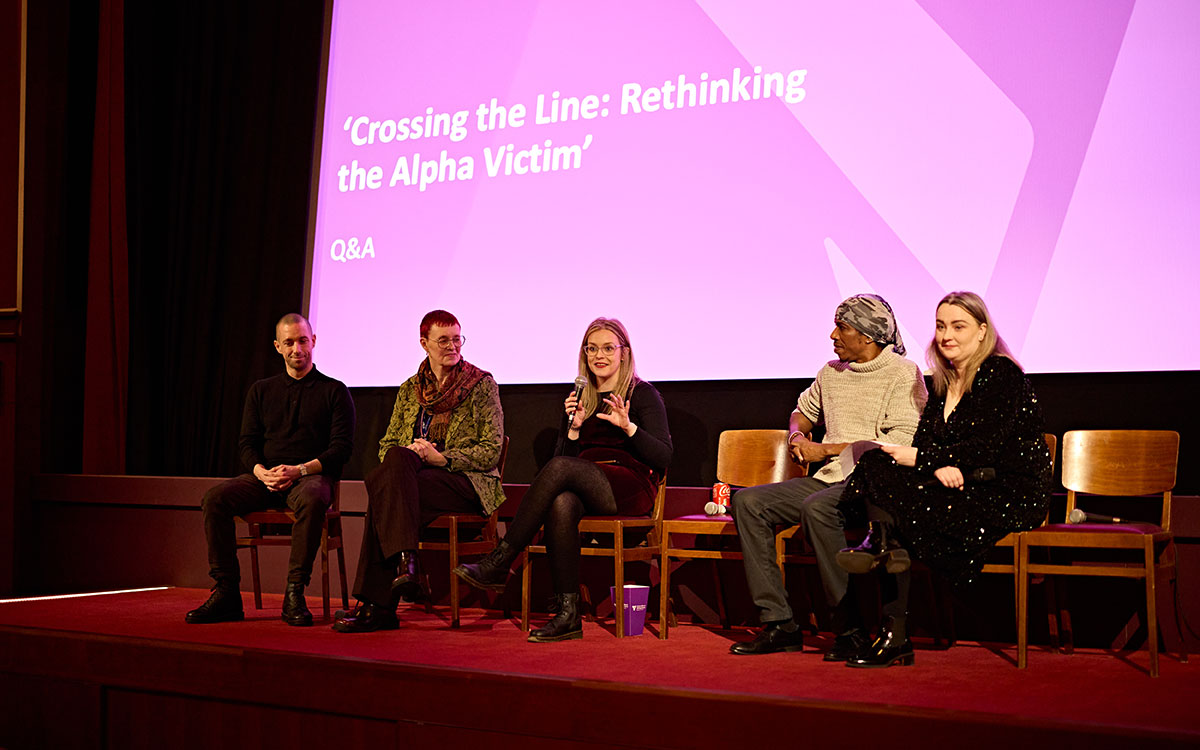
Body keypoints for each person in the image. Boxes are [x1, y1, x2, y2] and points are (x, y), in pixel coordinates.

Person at [835, 291, 1052, 668]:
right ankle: (883, 545)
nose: (946, 334)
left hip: (1004, 490)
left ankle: (894, 624)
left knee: (898, 509)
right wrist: (935, 464)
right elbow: (929, 443)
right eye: (940, 326)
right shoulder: (942, 381)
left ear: (982, 332)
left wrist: (926, 459)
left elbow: (982, 448)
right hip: (959, 479)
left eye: (958, 326)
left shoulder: (1001, 375)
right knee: (875, 463)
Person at [728, 294, 927, 657]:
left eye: (843, 327)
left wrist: (828, 450)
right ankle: (779, 623)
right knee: (748, 501)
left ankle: (848, 629)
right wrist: (797, 436)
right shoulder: (831, 372)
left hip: (872, 484)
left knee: (818, 507)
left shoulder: (903, 373)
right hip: (828, 479)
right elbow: (801, 412)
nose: (832, 335)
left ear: (868, 336)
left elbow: (900, 442)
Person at [454, 317, 672, 642]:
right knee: (561, 502)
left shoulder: (641, 394)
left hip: (630, 485)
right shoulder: (580, 396)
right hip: (586, 480)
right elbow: (564, 454)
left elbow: (664, 456)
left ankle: (501, 559)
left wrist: (629, 427)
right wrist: (574, 427)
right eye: (592, 348)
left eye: (608, 348)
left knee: (558, 470)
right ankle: (568, 615)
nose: (600, 355)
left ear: (624, 353)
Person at [332, 310, 505, 633]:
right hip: (417, 481)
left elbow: (491, 449)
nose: (453, 346)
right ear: (424, 343)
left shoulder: (481, 385)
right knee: (395, 466)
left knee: (385, 486)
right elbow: (387, 446)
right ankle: (403, 566)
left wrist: (441, 458)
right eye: (444, 341)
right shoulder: (410, 388)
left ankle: (381, 599)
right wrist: (413, 455)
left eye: (457, 339)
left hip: (466, 483)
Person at [186, 313, 355, 627]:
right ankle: (226, 593)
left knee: (315, 495)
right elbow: (246, 443)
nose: (297, 349)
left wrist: (299, 471)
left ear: (313, 341)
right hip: (265, 478)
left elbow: (340, 450)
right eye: (289, 342)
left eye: (303, 340)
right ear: (278, 346)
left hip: (308, 478)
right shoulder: (261, 391)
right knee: (215, 498)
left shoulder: (335, 391)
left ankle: (295, 591)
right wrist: (261, 472)